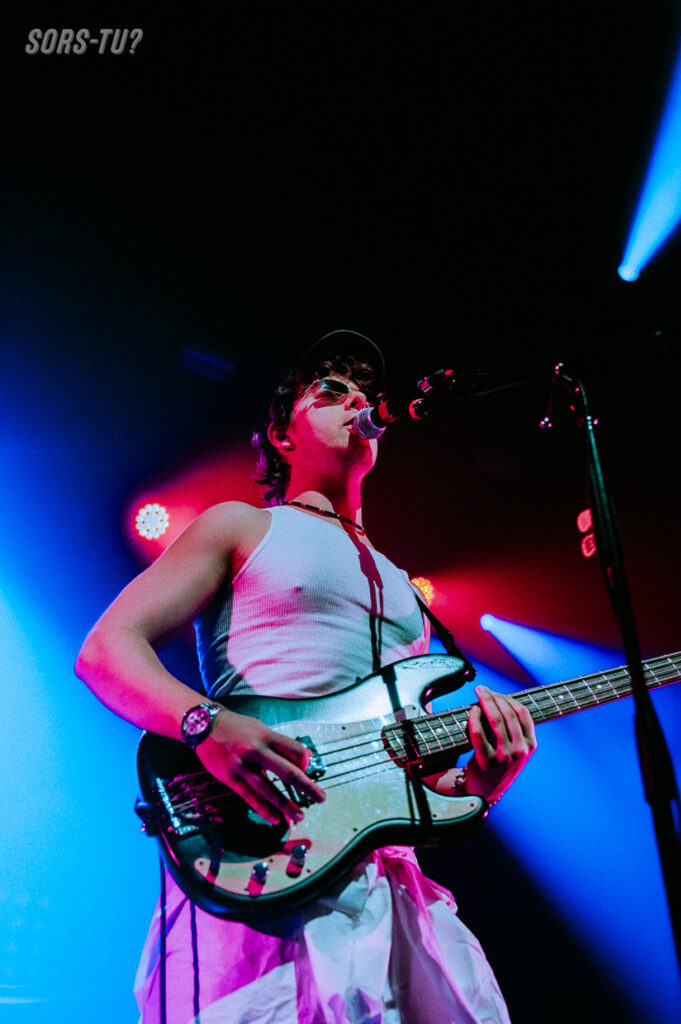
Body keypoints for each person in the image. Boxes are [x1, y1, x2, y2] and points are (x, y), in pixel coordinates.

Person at [75, 329, 537, 1024]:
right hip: (265, 856)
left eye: (363, 393)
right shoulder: (241, 526)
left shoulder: (406, 592)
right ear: (282, 436)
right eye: (331, 392)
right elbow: (106, 650)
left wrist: (482, 782)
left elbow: (405, 779)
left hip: (387, 889)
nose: (357, 402)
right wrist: (207, 726)